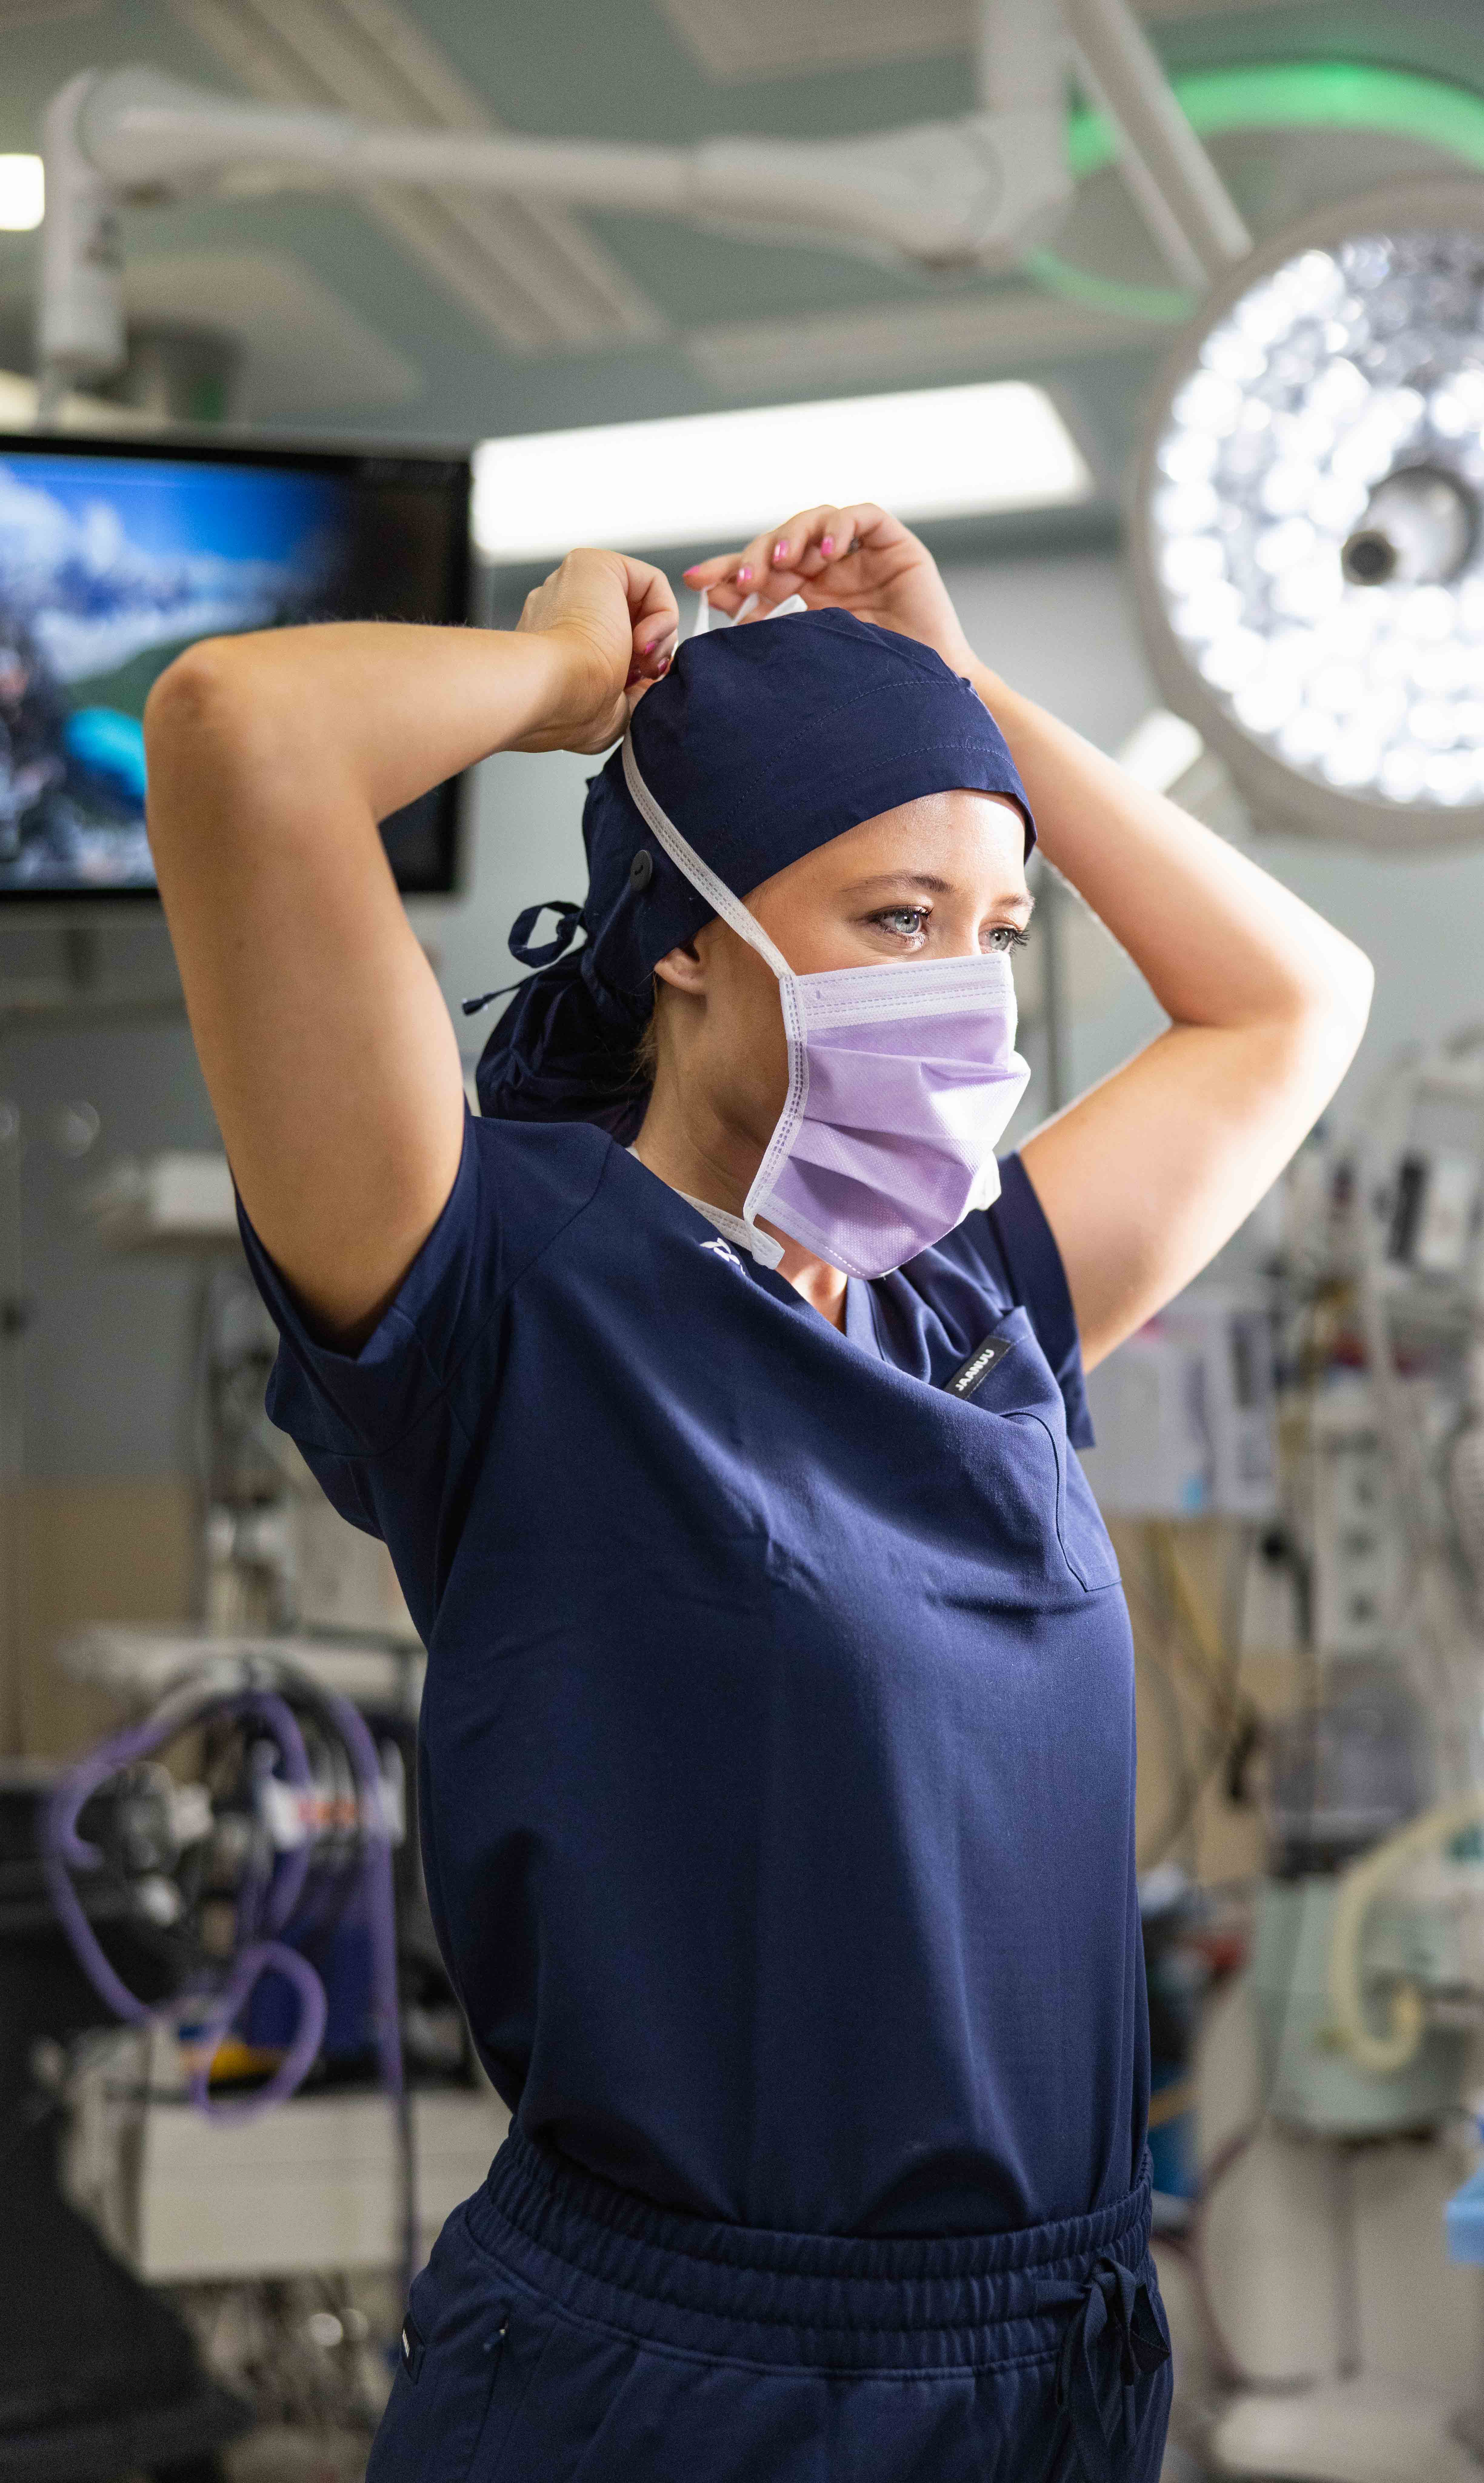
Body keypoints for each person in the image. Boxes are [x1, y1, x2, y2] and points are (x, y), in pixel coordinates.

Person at [144, 500, 1372, 2483]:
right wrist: (564, 680)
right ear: (684, 940)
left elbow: (1293, 999)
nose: (963, 1001)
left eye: (993, 937)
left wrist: (946, 699)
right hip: (684, 2391)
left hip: (1053, 2353)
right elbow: (234, 732)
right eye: (893, 921)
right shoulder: (497, 1290)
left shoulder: (982, 1296)